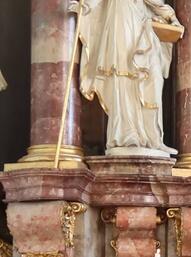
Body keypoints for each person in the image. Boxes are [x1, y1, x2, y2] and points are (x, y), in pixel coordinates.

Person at [72, 0, 180, 155]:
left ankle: (154, 138)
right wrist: (87, 6)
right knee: (124, 75)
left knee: (153, 78)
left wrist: (171, 18)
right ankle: (125, 135)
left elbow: (156, 3)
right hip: (122, 17)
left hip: (145, 23)